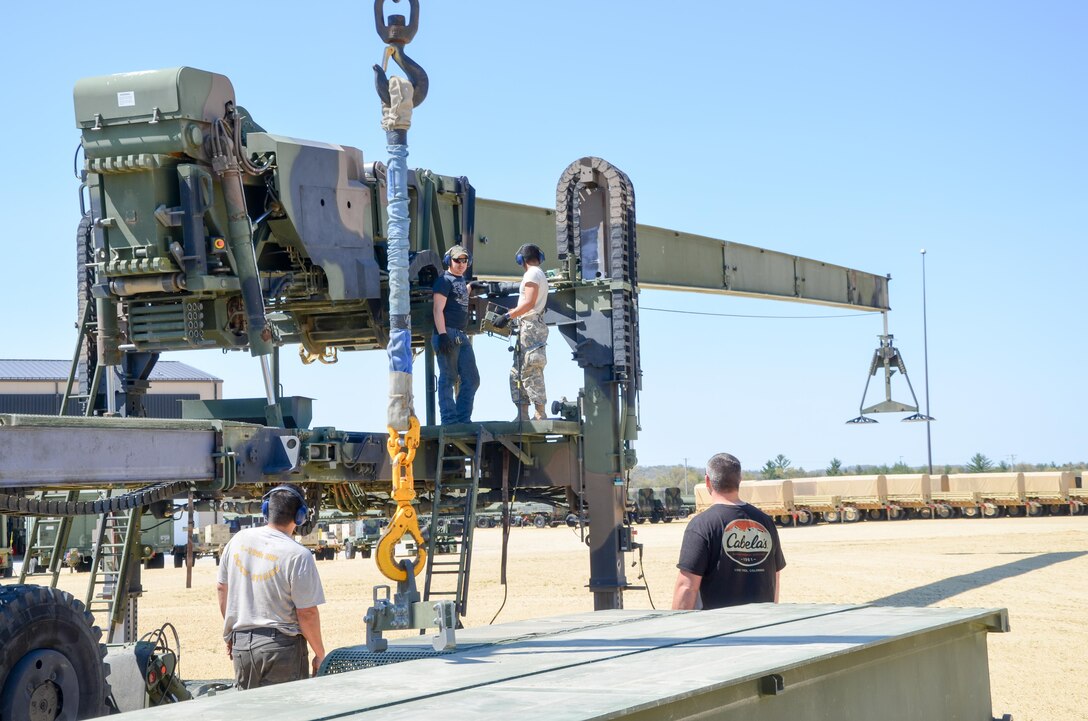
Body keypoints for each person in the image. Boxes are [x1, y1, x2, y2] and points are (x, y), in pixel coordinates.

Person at [217, 485, 326, 689]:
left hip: (242, 646)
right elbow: (307, 613)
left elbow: (222, 588)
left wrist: (232, 633)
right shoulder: (298, 555)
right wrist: (319, 653)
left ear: (266, 510)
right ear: (300, 516)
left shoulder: (237, 540)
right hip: (281, 649)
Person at [672, 453, 786, 610]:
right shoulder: (766, 522)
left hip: (718, 629)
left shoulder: (701, 525)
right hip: (761, 626)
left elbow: (687, 587)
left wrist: (677, 628)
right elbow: (775, 577)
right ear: (740, 480)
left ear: (707, 481)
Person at [492, 243, 549, 421]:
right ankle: (523, 414)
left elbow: (529, 303)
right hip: (527, 325)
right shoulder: (537, 274)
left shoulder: (532, 273)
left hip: (532, 326)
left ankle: (539, 413)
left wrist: (508, 316)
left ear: (521, 260)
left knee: (531, 368)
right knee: (518, 371)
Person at [432, 244, 480, 424]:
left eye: (464, 260)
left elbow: (458, 295)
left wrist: (470, 287)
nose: (461, 264)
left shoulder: (458, 280)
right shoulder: (443, 281)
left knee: (472, 379)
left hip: (461, 334)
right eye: (457, 260)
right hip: (448, 334)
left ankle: (462, 419)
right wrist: (442, 334)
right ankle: (449, 420)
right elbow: (438, 310)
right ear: (448, 261)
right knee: (448, 377)